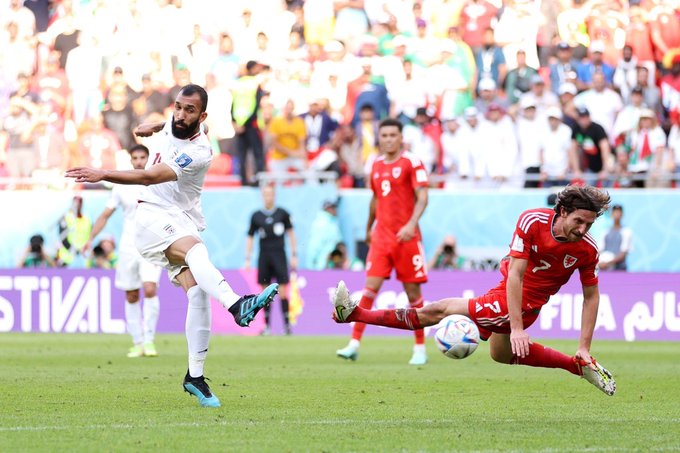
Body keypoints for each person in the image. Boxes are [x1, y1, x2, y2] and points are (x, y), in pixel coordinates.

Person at [66, 84, 278, 408]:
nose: (180, 114)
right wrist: (155, 125)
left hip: (178, 218)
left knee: (197, 293)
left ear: (202, 115)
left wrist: (102, 173)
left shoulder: (199, 151)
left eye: (189, 110)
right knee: (197, 252)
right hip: (150, 217)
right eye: (177, 106)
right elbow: (170, 128)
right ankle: (237, 304)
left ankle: (195, 377)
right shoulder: (177, 122)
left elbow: (149, 176)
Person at [333, 185, 617, 397]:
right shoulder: (532, 221)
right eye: (578, 221)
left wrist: (583, 346)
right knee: (501, 354)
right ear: (563, 211)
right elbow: (515, 273)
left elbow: (591, 297)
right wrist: (516, 329)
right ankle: (576, 367)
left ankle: (354, 313)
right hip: (507, 292)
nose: (583, 229)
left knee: (438, 310)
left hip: (523, 303)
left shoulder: (587, 249)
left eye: (589, 224)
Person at [336, 118, 430, 366]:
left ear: (401, 138)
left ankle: (420, 347)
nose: (388, 139)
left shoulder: (411, 162)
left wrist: (411, 224)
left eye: (392, 135)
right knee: (369, 290)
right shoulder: (376, 165)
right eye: (384, 135)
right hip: (381, 238)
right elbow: (375, 200)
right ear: (380, 138)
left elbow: (423, 197)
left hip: (407, 238)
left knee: (413, 295)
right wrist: (369, 228)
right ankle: (354, 343)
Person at [85, 144, 164, 358]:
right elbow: (105, 215)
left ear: (148, 159)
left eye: (142, 157)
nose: (139, 161)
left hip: (151, 245)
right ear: (131, 160)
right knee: (131, 294)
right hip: (129, 246)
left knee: (149, 289)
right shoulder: (121, 186)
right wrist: (90, 238)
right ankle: (137, 341)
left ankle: (149, 340)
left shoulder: (157, 183)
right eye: (135, 158)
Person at [245, 185, 297, 335]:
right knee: (265, 293)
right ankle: (267, 327)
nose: (268, 197)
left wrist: (294, 255)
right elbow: (250, 237)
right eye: (265, 194)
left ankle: (287, 327)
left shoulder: (283, 214)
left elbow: (291, 233)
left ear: (274, 196)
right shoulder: (256, 216)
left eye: (270, 194)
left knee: (282, 291)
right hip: (264, 256)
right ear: (262, 196)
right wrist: (247, 258)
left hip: (279, 256)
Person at [306, 200, 343, 270]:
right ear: (327, 209)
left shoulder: (332, 223)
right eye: (333, 208)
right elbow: (314, 244)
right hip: (320, 265)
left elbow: (337, 243)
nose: (335, 210)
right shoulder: (321, 224)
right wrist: (312, 263)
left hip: (331, 263)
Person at [598, 205, 632, 271]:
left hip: (620, 269)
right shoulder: (605, 231)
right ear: (612, 214)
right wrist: (599, 263)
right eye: (615, 212)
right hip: (606, 269)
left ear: (622, 215)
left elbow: (623, 253)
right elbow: (600, 250)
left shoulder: (627, 232)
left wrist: (608, 263)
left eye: (618, 212)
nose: (617, 214)